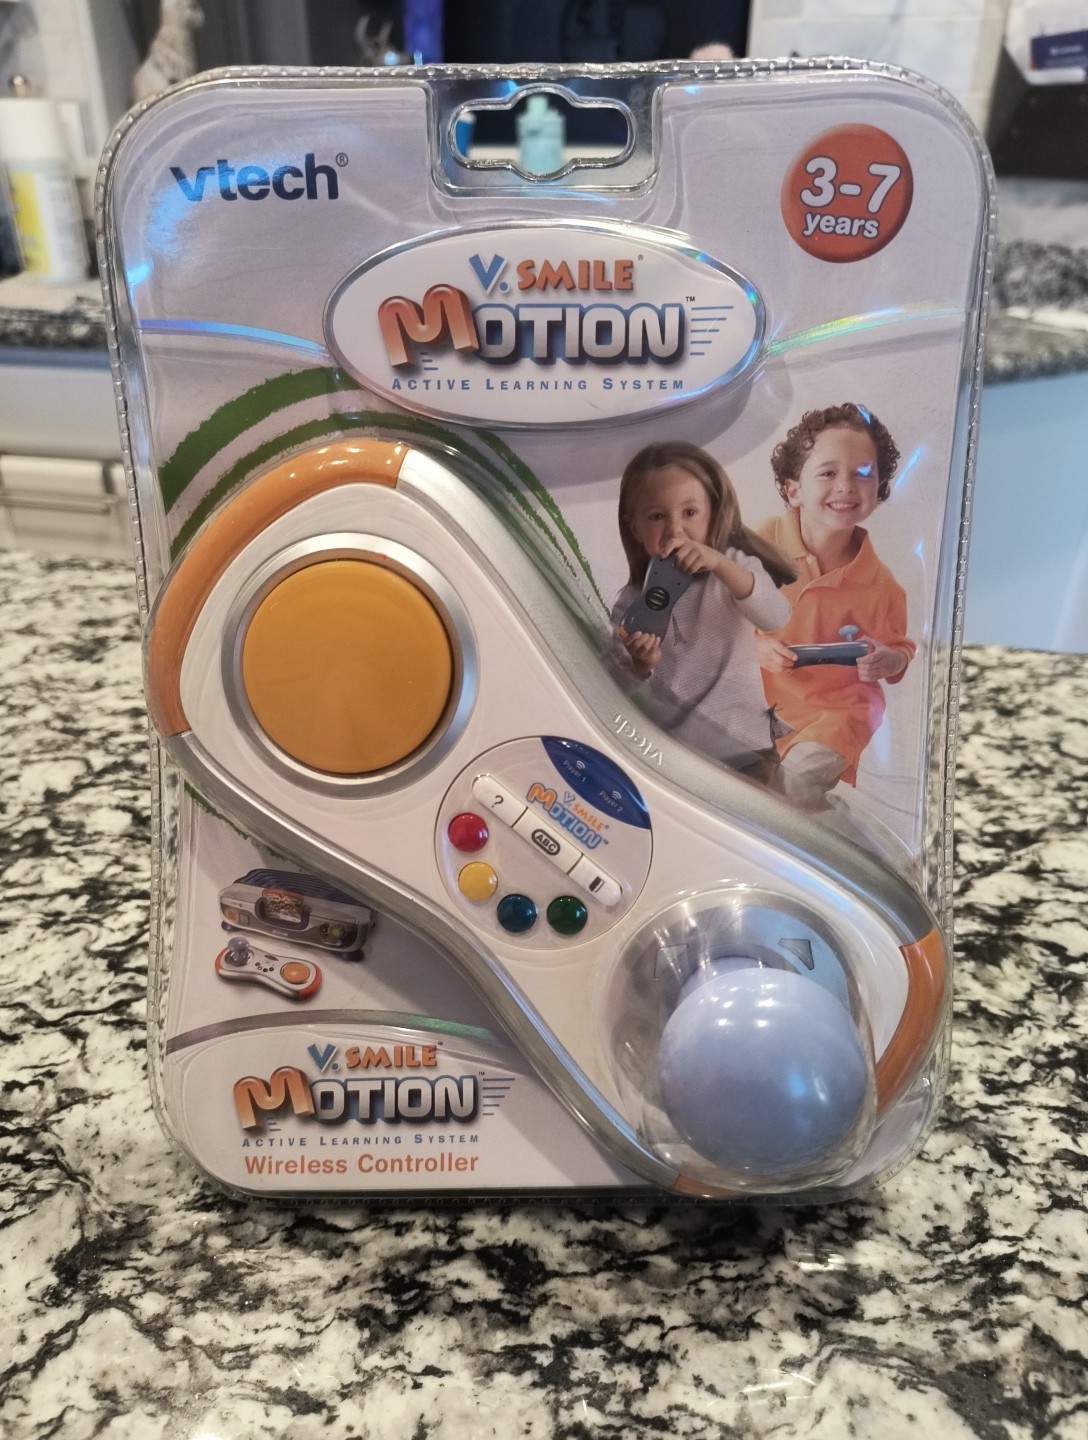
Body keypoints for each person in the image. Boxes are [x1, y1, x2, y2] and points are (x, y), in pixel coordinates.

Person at [757, 403, 916, 808]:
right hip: (761, 705)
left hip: (840, 714)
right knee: (748, 790)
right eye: (828, 473)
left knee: (791, 787)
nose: (846, 486)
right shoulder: (758, 548)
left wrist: (888, 660)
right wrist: (755, 646)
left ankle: (815, 816)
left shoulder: (880, 586)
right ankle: (822, 815)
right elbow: (713, 620)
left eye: (863, 474)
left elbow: (901, 649)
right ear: (793, 489)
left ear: (879, 488)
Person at [612, 441, 795, 773]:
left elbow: (776, 617)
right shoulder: (632, 602)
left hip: (747, 749)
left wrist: (720, 564)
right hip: (674, 757)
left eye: (690, 512)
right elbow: (613, 690)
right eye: (656, 516)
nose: (675, 529)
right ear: (635, 526)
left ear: (713, 512)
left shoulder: (733, 568)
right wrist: (641, 666)